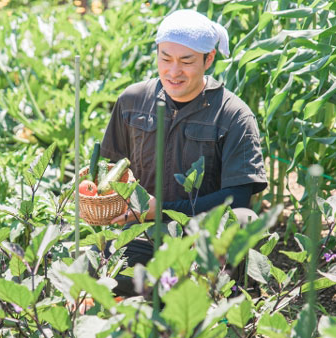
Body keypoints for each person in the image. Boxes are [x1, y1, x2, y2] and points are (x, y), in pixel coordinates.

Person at [100, 9, 267, 295]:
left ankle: (203, 290)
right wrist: (95, 185)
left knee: (242, 219)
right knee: (96, 272)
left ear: (209, 58)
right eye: (165, 58)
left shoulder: (233, 115)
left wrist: (160, 210)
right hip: (142, 236)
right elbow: (110, 166)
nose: (173, 71)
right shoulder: (132, 101)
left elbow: (237, 198)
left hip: (201, 241)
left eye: (186, 61)